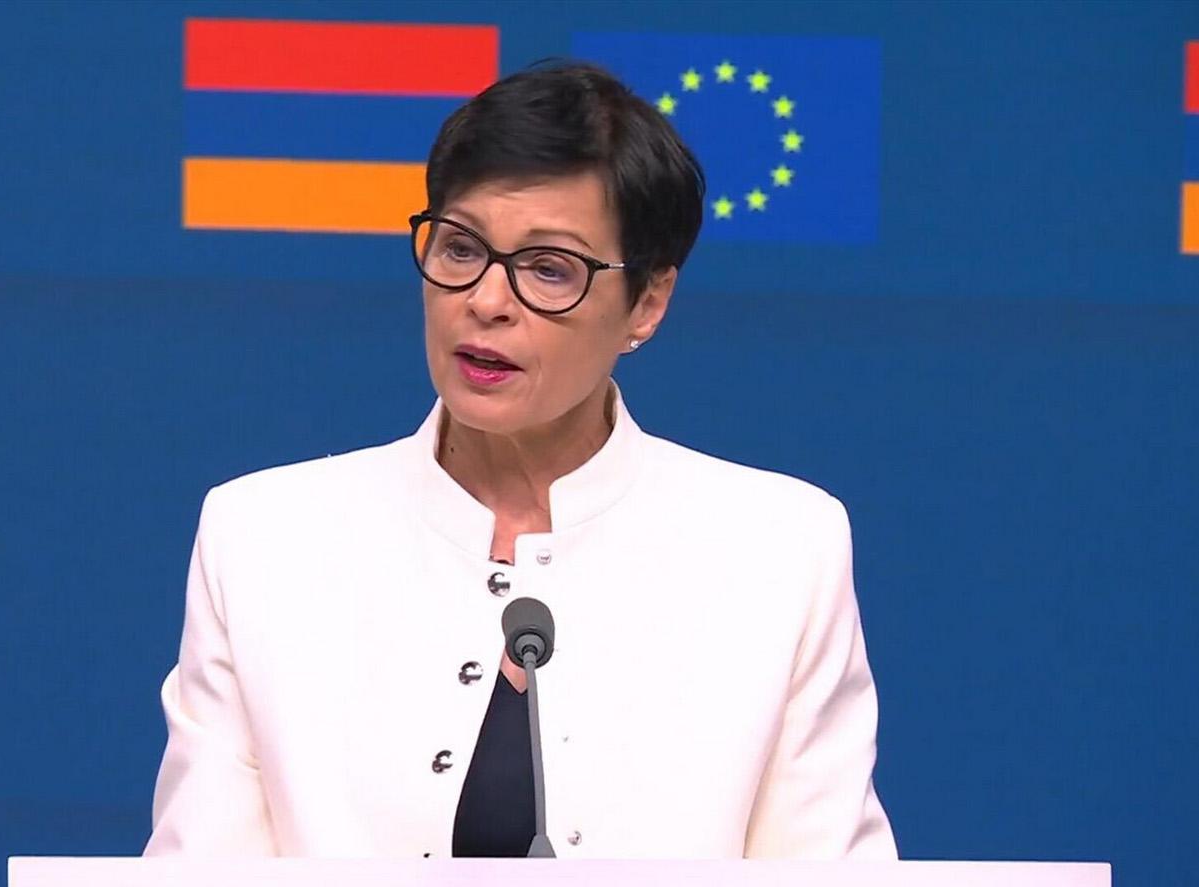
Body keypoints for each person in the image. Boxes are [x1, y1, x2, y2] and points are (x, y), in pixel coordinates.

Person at [143, 61, 895, 859]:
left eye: (548, 268)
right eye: (460, 247)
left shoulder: (777, 550)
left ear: (646, 301)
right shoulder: (264, 537)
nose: (486, 300)